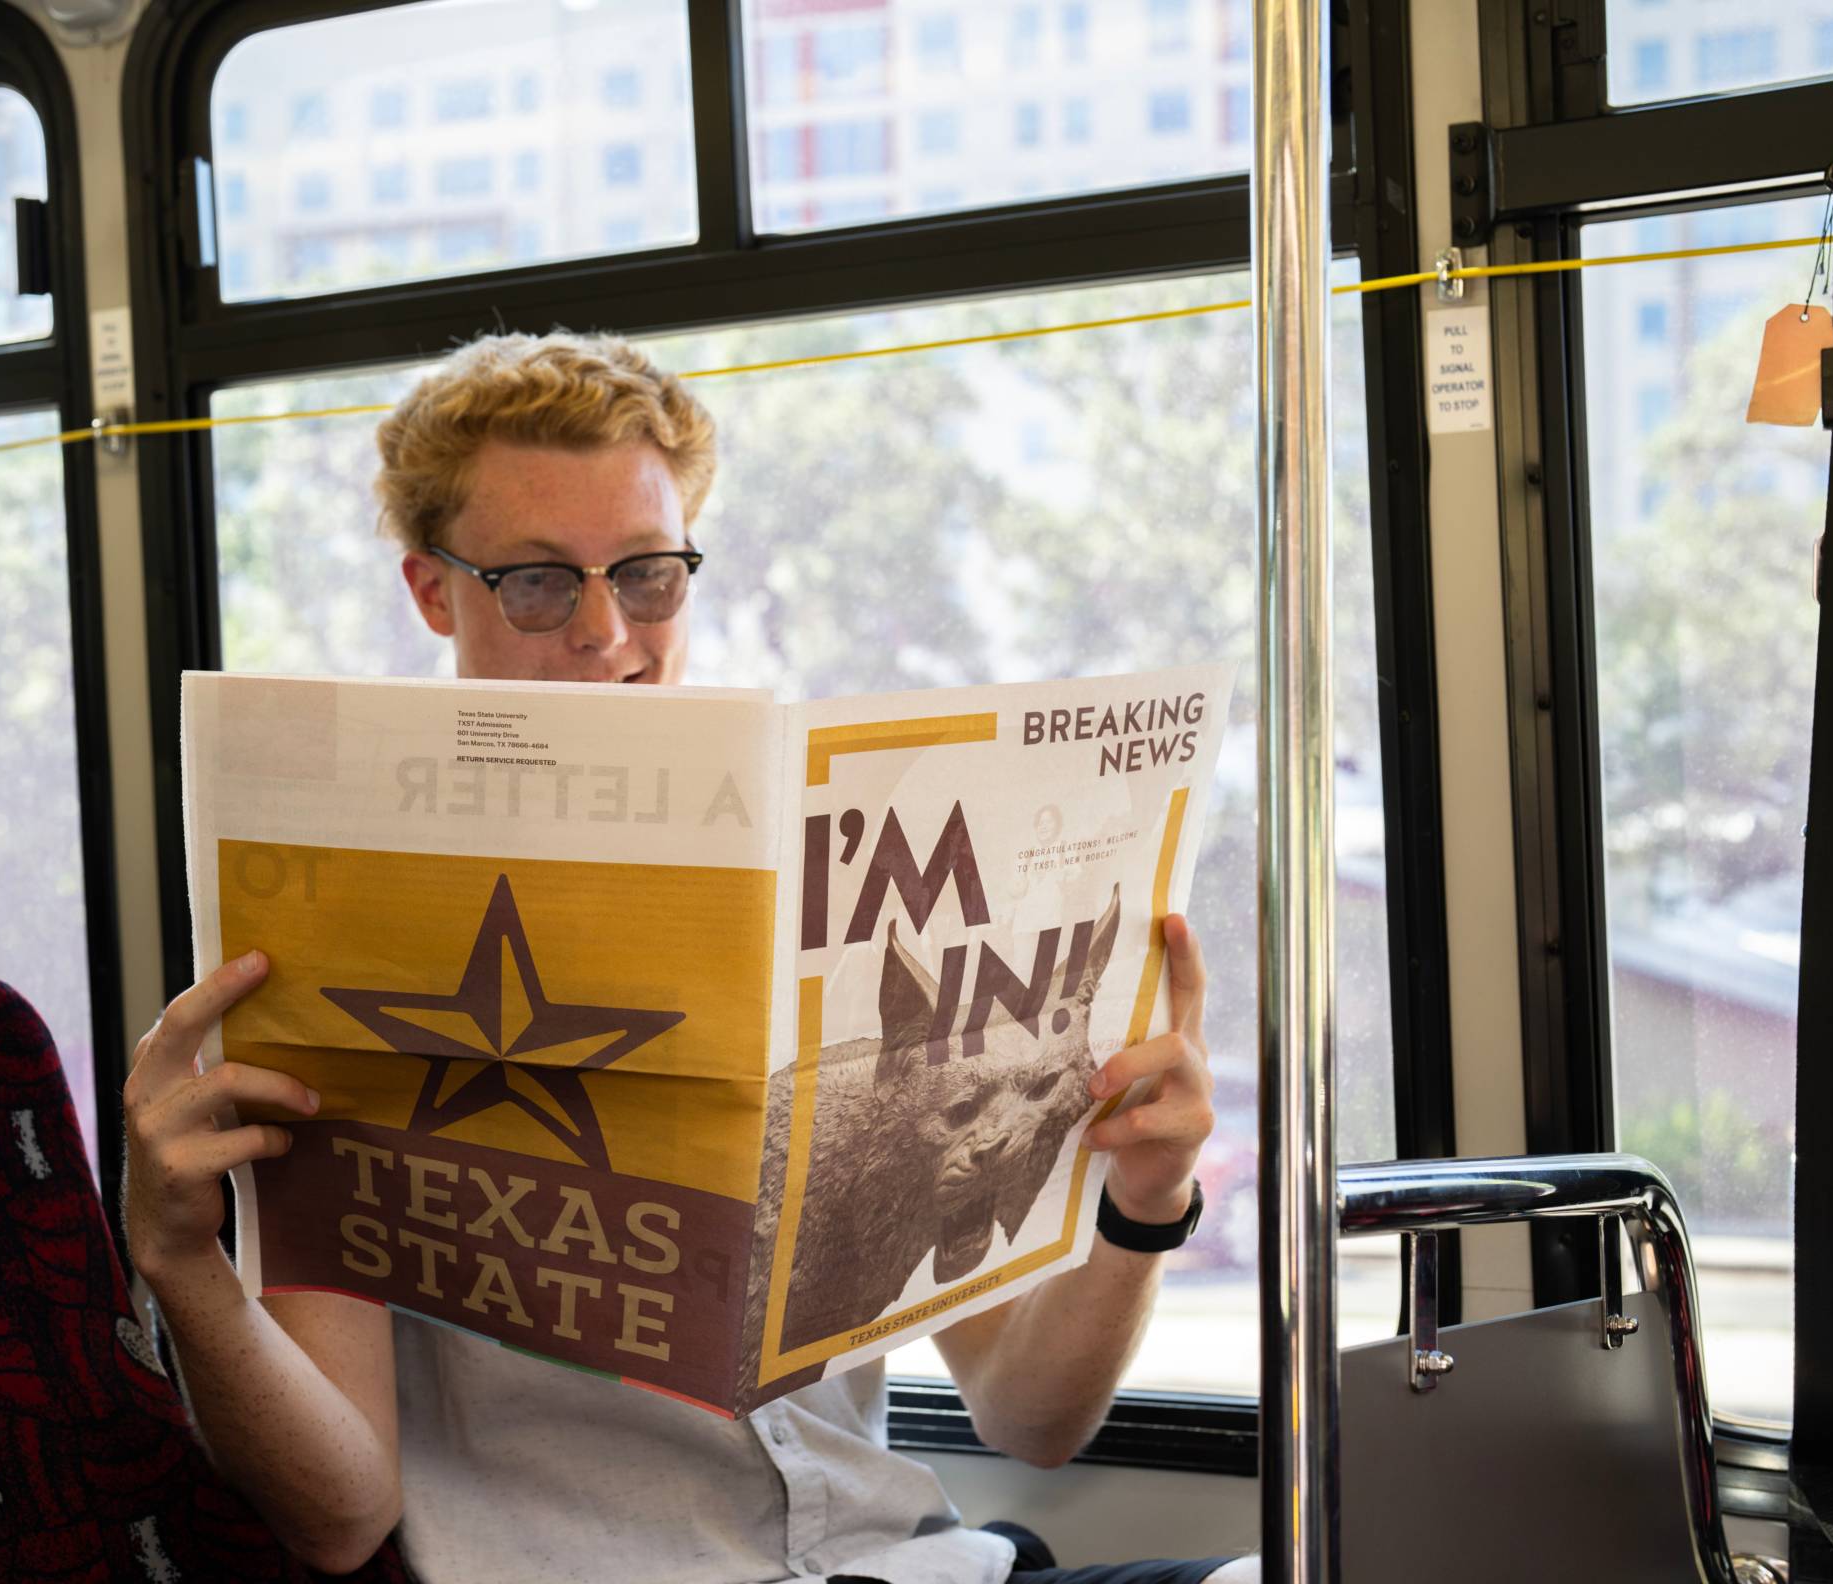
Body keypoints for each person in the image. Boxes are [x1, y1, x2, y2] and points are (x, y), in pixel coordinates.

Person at [122, 332, 1256, 1584]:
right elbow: (338, 1519)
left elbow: (1031, 1420)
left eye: (650, 575)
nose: (611, 635)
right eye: (541, 585)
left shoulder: (838, 871)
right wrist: (183, 1263)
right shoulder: (326, 934)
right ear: (434, 592)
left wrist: (1145, 1204)